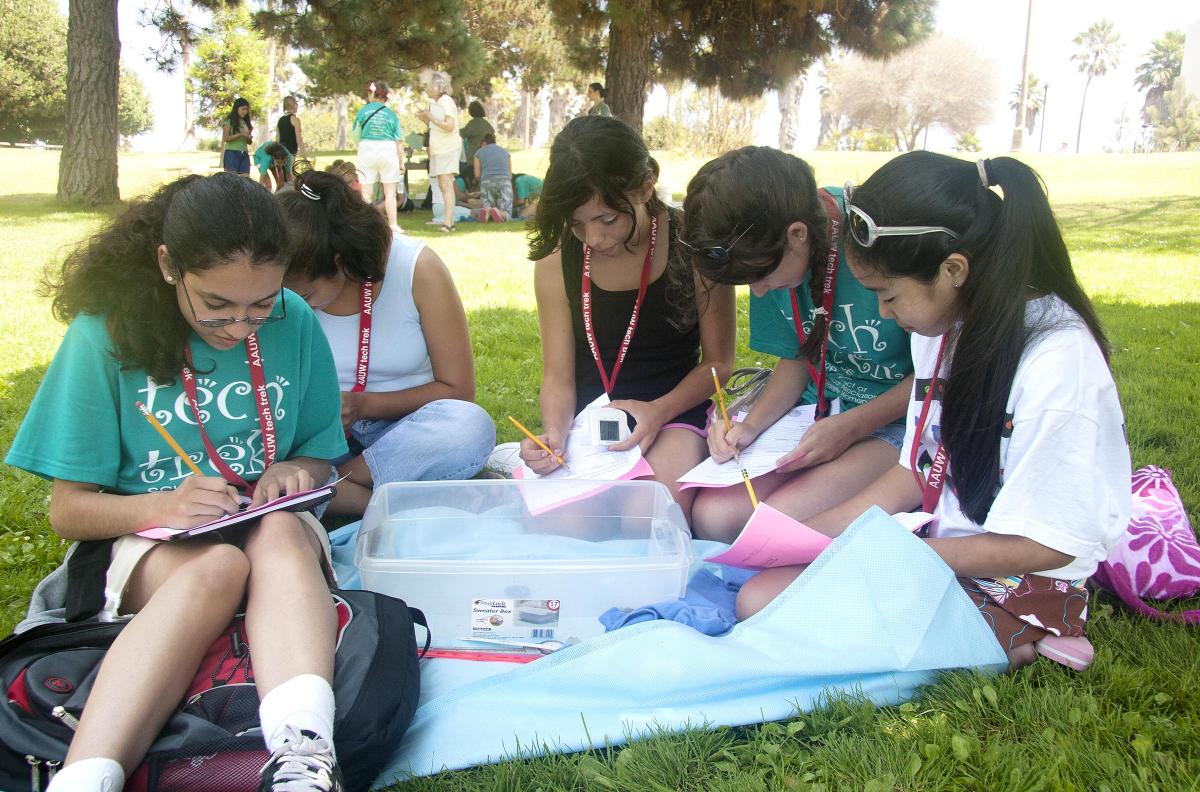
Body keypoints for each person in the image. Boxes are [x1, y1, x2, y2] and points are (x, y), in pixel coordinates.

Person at [5, 173, 350, 791]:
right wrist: (162, 504)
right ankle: (84, 778)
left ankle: (304, 756)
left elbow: (319, 457)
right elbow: (68, 511)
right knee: (216, 566)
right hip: (155, 544)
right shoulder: (104, 333)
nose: (241, 326)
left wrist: (294, 470)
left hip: (271, 533)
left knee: (275, 528)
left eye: (261, 304)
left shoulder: (292, 319)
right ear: (169, 266)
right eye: (216, 305)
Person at [735, 153, 1131, 672]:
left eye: (887, 294)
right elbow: (916, 474)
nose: (883, 313)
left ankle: (1027, 633)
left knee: (768, 608)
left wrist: (895, 557)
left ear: (953, 271)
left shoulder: (1058, 364)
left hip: (1021, 578)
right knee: (761, 592)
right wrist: (815, 536)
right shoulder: (943, 329)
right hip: (935, 540)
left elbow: (1048, 544)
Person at [681, 146, 914, 542]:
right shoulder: (767, 252)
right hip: (812, 417)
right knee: (713, 517)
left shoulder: (880, 249)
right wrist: (750, 426)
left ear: (798, 235)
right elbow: (796, 358)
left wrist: (851, 426)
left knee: (771, 528)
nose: (757, 292)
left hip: (895, 422)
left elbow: (939, 373)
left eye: (760, 277)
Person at [519, 116, 736, 521]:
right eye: (577, 224)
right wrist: (552, 432)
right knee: (565, 524)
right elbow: (559, 376)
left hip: (674, 414)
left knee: (650, 515)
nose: (595, 239)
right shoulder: (556, 262)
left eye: (607, 220)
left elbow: (719, 363)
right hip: (587, 424)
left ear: (644, 188)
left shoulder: (693, 244)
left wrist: (659, 410)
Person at [278, 171, 496, 517]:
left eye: (305, 294)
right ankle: (395, 501)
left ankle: (332, 490)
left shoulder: (415, 268)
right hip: (321, 438)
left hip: (405, 430)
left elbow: (458, 389)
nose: (296, 303)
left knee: (469, 426)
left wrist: (362, 406)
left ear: (340, 264)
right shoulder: (276, 293)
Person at [352, 80, 405, 235]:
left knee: (366, 192)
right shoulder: (391, 114)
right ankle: (393, 224)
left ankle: (365, 224)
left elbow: (355, 134)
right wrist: (401, 162)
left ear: (373, 94)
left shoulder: (363, 111)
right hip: (387, 149)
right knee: (390, 192)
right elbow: (399, 141)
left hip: (367, 148)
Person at [416, 69, 461, 233]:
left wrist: (431, 117)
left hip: (446, 148)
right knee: (443, 185)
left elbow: (449, 126)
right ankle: (449, 221)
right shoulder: (436, 104)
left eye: (428, 85)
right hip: (439, 149)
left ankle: (448, 222)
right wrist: (425, 118)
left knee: (446, 185)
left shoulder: (446, 101)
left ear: (437, 86)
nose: (426, 88)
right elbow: (436, 125)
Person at [474, 133, 512, 222]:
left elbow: (477, 175)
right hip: (504, 181)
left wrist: (480, 182)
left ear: (484, 143)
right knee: (506, 211)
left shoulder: (479, 152)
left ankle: (487, 214)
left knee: (486, 207)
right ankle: (499, 213)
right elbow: (510, 174)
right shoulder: (505, 152)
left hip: (486, 181)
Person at [460, 100, 494, 189]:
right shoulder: (487, 124)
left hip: (476, 160)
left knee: (468, 179)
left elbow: (461, 134)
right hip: (489, 159)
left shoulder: (473, 124)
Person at [221, 97, 253, 176]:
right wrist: (240, 134)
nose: (245, 112)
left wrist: (248, 137)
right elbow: (226, 138)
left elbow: (249, 142)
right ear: (236, 109)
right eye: (243, 109)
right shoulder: (229, 121)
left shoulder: (246, 123)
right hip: (231, 153)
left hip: (244, 153)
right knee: (232, 180)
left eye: (246, 109)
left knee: (245, 179)